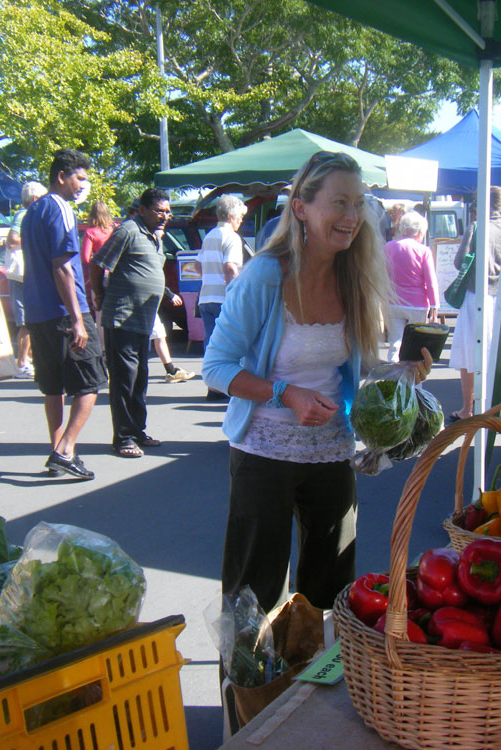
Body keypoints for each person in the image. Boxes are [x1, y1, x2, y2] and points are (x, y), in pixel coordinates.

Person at [202, 151, 432, 614]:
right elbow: (216, 368)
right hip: (263, 453)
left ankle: (313, 686)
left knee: (329, 594)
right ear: (301, 207)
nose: (352, 217)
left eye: (359, 204)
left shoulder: (355, 276)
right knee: (254, 598)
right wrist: (284, 393)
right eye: (339, 203)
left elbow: (357, 368)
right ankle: (247, 688)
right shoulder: (266, 276)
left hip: (332, 452)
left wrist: (402, 375)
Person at [21, 148, 106, 480]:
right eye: (80, 179)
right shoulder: (61, 209)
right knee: (92, 381)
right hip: (63, 311)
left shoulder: (32, 211)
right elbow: (63, 268)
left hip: (38, 312)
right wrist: (75, 317)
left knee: (53, 386)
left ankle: (57, 451)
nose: (82, 186)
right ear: (62, 176)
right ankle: (66, 449)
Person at [90, 187, 181, 458]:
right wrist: (99, 295)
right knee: (124, 382)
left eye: (168, 212)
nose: (165, 216)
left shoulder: (154, 236)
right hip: (123, 318)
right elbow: (98, 263)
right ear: (142, 210)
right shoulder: (128, 230)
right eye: (159, 211)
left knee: (139, 380)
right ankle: (123, 438)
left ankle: (138, 431)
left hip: (142, 320)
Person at [448, 186, 501, 421]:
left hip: (475, 297)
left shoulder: (476, 226)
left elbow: (459, 261)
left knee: (469, 356)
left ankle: (468, 409)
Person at [197, 194, 248, 401]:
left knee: (212, 343)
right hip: (223, 299)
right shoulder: (232, 237)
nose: (241, 221)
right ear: (232, 216)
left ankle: (213, 387)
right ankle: (228, 387)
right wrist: (236, 294)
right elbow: (230, 267)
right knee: (231, 344)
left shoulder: (210, 235)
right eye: (241, 217)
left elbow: (198, 265)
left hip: (206, 297)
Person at [383, 210, 439, 361]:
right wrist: (434, 306)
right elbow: (430, 281)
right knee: (416, 345)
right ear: (420, 232)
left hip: (392, 302)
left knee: (396, 343)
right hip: (417, 304)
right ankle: (414, 382)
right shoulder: (423, 251)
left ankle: (393, 378)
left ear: (402, 229)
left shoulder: (388, 247)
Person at [6, 181, 46, 378]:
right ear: (36, 198)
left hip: (27, 274)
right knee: (26, 321)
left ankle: (26, 360)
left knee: (29, 321)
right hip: (22, 275)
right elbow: (12, 240)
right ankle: (22, 363)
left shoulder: (28, 215)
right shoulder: (24, 215)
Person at [80, 199, 115, 307]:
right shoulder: (115, 229)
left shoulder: (90, 232)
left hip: (100, 275)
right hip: (116, 273)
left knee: (99, 312)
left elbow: (85, 258)